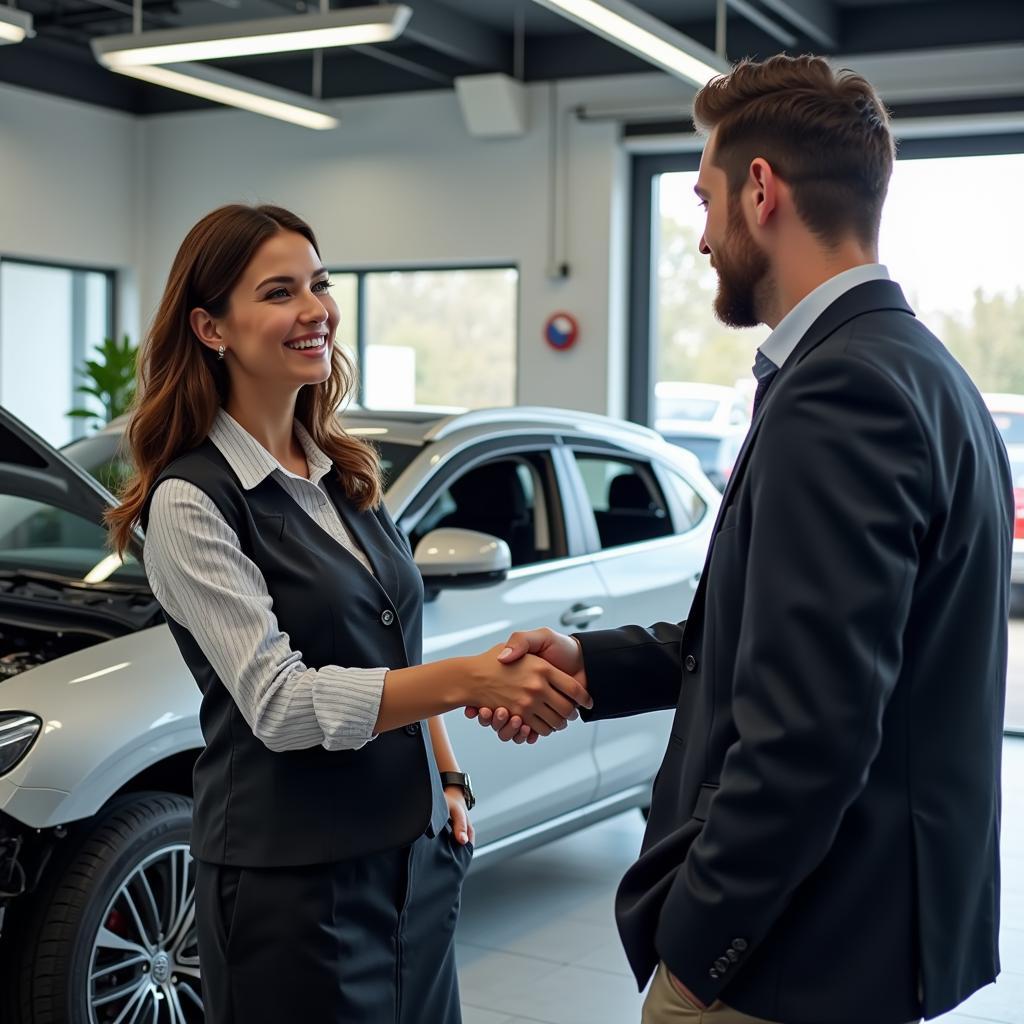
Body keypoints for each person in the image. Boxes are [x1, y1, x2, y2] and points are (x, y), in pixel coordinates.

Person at [473, 55, 1012, 1024]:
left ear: (760, 190)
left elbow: (812, 729)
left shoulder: (838, 392)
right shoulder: (924, 372)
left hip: (798, 954)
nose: (700, 238)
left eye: (704, 200)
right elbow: (781, 642)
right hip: (868, 939)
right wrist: (593, 664)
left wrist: (696, 947)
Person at [105, 203, 591, 1024]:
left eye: (319, 285)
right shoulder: (193, 499)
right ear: (211, 327)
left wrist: (451, 783)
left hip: (414, 859)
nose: (315, 309)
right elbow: (282, 705)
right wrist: (470, 681)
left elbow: (400, 640)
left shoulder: (345, 472)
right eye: (279, 291)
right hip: (294, 888)